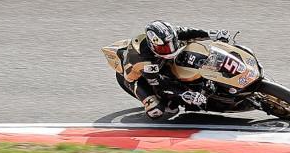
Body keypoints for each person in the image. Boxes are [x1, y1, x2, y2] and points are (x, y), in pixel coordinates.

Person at [104, 20, 242, 120]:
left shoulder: (169, 35)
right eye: (164, 47)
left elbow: (189, 33)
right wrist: (185, 93)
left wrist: (213, 34)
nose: (170, 49)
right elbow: (161, 84)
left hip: (162, 63)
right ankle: (154, 102)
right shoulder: (146, 61)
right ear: (153, 46)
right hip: (138, 79)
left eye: (172, 43)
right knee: (160, 110)